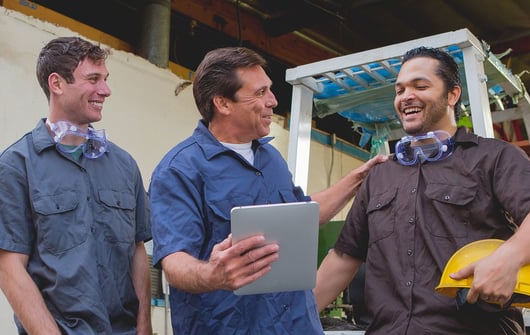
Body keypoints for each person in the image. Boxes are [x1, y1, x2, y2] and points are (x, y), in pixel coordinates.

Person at [314, 46, 530, 334]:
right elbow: (344, 256)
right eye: (399, 90)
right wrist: (291, 317)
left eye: (420, 86)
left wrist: (508, 258)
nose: (405, 96)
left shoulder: (492, 157)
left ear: (452, 95)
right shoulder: (380, 176)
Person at [149, 46, 386, 334]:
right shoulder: (180, 169)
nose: (273, 101)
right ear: (223, 103)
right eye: (260, 93)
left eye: (269, 91)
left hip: (296, 324)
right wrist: (214, 274)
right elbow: (174, 262)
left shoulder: (270, 158)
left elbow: (306, 214)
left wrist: (359, 179)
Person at [0, 36, 153, 335]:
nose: (106, 90)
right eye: (93, 79)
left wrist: (144, 327)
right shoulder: (12, 167)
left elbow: (137, 249)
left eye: (106, 80)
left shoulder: (124, 165)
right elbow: (10, 269)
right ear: (57, 84)